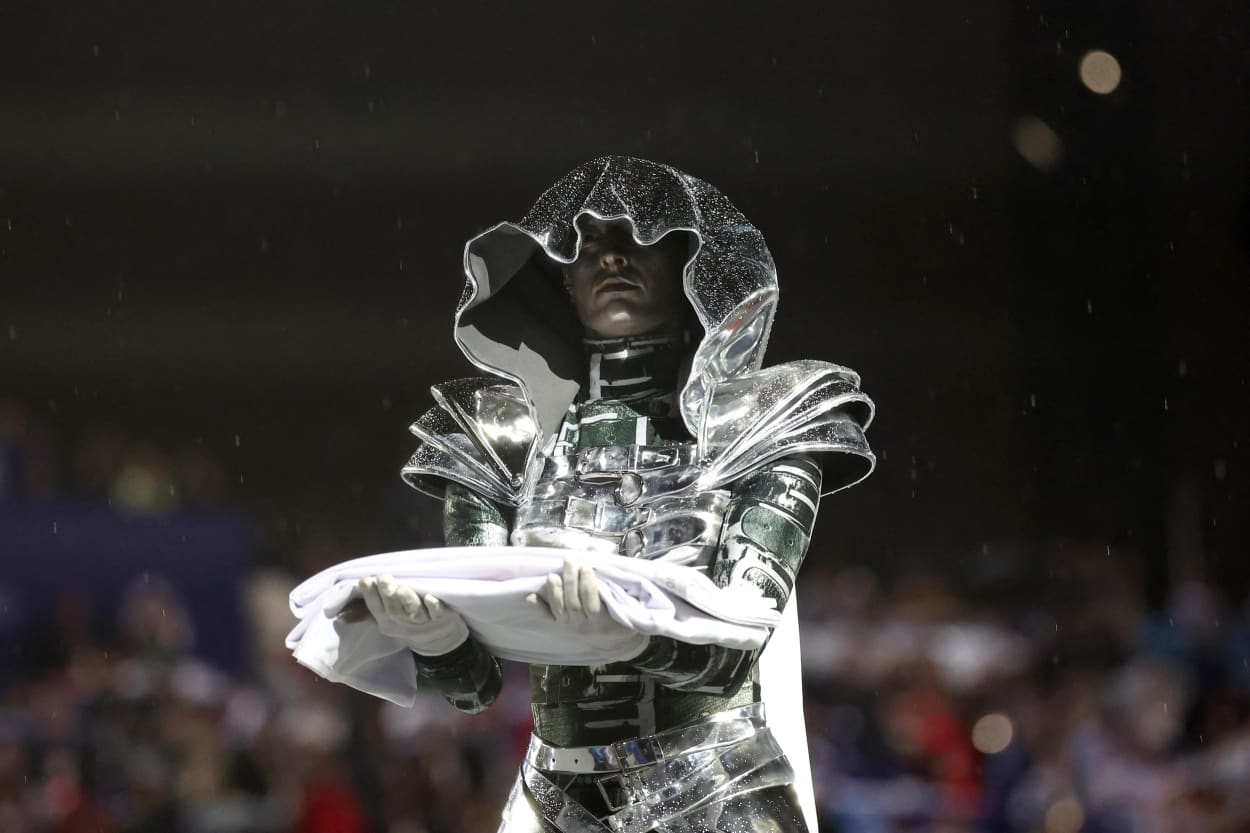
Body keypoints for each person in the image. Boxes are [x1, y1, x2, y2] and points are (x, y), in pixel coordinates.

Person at [354, 157, 875, 832]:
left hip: (718, 789)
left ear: (688, 258)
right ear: (561, 275)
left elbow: (740, 639)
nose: (610, 259)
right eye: (588, 243)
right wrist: (436, 635)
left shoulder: (766, 421)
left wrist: (635, 640)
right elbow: (474, 687)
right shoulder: (500, 437)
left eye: (638, 237)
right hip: (554, 799)